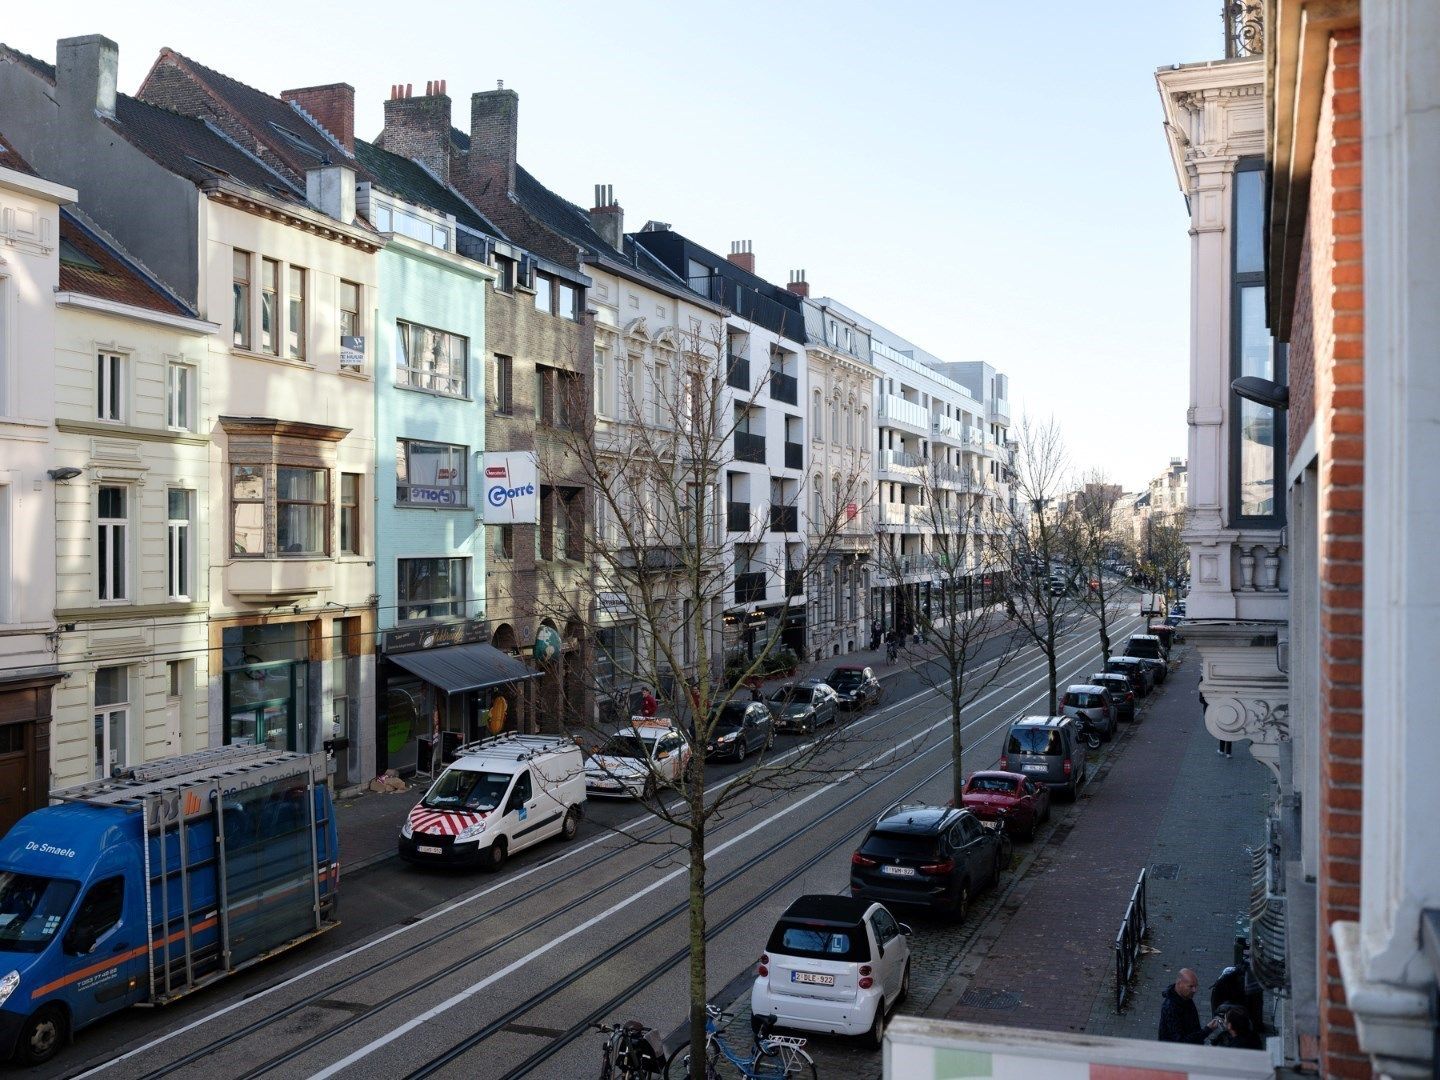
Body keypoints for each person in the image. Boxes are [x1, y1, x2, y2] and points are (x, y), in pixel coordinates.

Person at [1158, 968, 1220, 1044]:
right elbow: (1181, 1042)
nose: (1194, 990)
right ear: (1179, 983)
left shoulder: (1185, 996)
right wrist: (1207, 1030)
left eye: (1196, 986)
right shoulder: (1170, 1008)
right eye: (1190, 986)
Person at [1201, 691, 1232, 757]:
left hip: (1216, 711)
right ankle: (1228, 752)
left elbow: (1201, 700)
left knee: (1221, 730)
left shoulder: (1204, 685)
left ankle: (1222, 750)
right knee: (1229, 730)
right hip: (1227, 708)